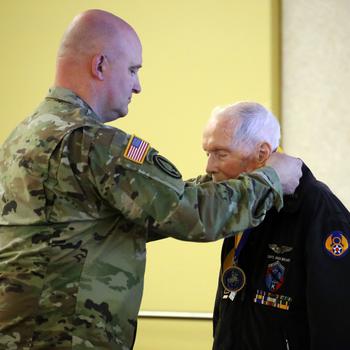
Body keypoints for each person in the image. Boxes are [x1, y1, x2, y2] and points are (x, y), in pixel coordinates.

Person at [0, 10, 301, 350]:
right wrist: (273, 178)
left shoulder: (25, 135)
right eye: (133, 70)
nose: (138, 85)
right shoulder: (94, 144)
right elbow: (195, 215)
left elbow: (132, 214)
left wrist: (217, 180)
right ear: (100, 65)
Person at [202, 102, 350, 350]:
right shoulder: (240, 204)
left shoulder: (321, 212)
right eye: (207, 153)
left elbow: (335, 323)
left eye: (220, 153)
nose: (209, 167)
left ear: (261, 155)